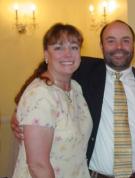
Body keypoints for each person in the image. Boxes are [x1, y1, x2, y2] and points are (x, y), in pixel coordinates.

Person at [11, 20, 135, 178]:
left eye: (125, 40)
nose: (119, 47)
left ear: (133, 45)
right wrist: (19, 110)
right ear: (101, 46)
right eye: (111, 41)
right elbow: (46, 71)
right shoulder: (85, 70)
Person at [12, 23, 92, 178]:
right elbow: (38, 165)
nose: (68, 54)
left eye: (74, 47)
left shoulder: (76, 89)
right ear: (46, 55)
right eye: (58, 48)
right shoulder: (40, 95)